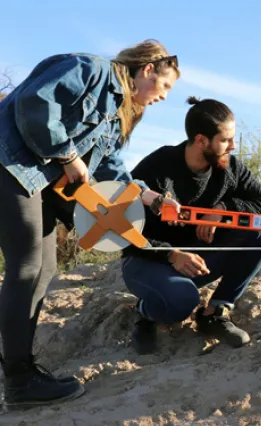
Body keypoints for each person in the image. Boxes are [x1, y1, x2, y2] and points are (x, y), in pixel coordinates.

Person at [0, 39, 181, 410]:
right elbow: (34, 103)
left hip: (32, 179)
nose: (164, 97)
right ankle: (19, 380)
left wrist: (150, 197)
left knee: (43, 267)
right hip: (9, 164)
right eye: (165, 87)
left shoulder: (117, 114)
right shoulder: (89, 69)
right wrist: (67, 155)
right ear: (147, 70)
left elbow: (109, 168)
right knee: (28, 265)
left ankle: (21, 371)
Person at [121, 96, 261, 355]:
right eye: (225, 140)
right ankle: (146, 312)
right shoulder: (158, 165)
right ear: (201, 141)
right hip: (145, 260)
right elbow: (122, 228)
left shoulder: (231, 168)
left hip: (195, 259)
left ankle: (215, 312)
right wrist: (170, 254)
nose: (232, 146)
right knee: (182, 301)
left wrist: (223, 210)